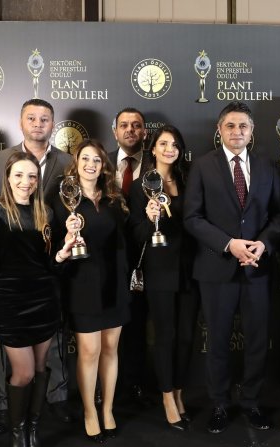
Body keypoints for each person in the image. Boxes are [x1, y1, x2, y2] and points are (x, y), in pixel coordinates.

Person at [184, 101, 280, 434]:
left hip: (257, 268)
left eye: (243, 126)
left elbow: (278, 215)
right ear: (219, 130)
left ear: (252, 131)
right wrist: (229, 244)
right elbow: (192, 217)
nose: (237, 131)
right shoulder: (202, 166)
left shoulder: (267, 166)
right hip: (217, 269)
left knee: (257, 340)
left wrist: (263, 244)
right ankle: (219, 404)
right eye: (230, 125)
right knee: (217, 341)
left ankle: (252, 402)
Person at [0, 99, 74, 431]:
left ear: (52, 124)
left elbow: (66, 210)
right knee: (16, 361)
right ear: (21, 123)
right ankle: (6, 409)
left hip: (44, 276)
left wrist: (64, 248)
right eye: (31, 118)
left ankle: (47, 407)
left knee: (46, 357)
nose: (38, 123)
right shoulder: (0, 161)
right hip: (8, 287)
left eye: (44, 119)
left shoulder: (67, 162)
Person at [53, 139, 131, 441]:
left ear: (103, 166)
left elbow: (126, 238)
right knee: (89, 352)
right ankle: (89, 412)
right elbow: (52, 245)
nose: (91, 165)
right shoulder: (62, 198)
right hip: (82, 285)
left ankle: (107, 409)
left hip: (114, 283)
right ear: (76, 163)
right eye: (85, 158)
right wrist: (67, 238)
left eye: (97, 160)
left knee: (111, 349)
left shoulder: (113, 198)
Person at [128, 125, 198, 431]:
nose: (170, 149)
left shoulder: (190, 180)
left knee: (186, 336)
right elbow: (136, 234)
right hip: (159, 271)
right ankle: (167, 396)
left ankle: (179, 392)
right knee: (165, 336)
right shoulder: (138, 187)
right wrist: (149, 216)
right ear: (153, 148)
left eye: (175, 145)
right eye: (164, 144)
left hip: (191, 269)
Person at [108, 107, 154, 406]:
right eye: (124, 125)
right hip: (108, 257)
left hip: (146, 257)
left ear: (145, 132)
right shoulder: (99, 163)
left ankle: (135, 383)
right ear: (115, 131)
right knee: (109, 325)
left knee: (138, 325)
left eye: (136, 125)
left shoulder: (157, 164)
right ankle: (108, 386)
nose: (130, 130)